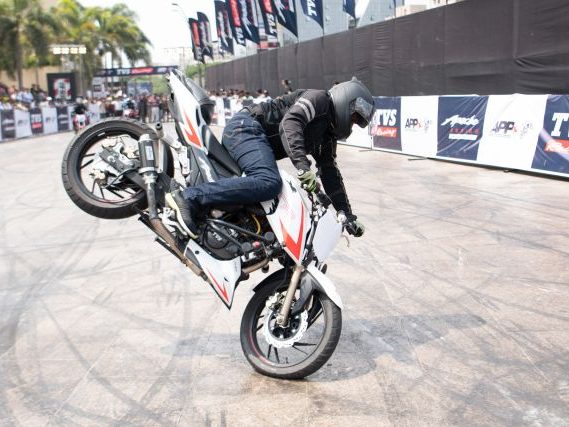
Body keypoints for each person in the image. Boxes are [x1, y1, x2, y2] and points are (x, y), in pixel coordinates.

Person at [167, 77, 373, 240]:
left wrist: (347, 214)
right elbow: (291, 123)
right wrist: (302, 166)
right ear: (347, 100)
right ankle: (188, 197)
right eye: (355, 117)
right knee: (269, 182)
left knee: (270, 210)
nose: (352, 124)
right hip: (246, 127)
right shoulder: (319, 100)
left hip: (254, 139)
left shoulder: (326, 137)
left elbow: (330, 172)